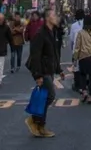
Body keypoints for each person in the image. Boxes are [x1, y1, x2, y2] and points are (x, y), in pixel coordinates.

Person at [27, 9, 63, 138]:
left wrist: (59, 69)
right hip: (43, 70)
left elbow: (53, 53)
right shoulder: (41, 33)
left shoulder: (51, 32)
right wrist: (37, 75)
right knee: (50, 95)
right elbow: (35, 55)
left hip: (49, 68)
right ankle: (36, 121)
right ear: (48, 18)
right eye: (54, 15)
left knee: (45, 96)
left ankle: (39, 124)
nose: (56, 17)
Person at [73, 16, 91, 104]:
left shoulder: (80, 33)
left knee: (82, 75)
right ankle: (90, 96)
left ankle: (84, 91)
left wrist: (75, 58)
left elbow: (77, 47)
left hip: (83, 57)